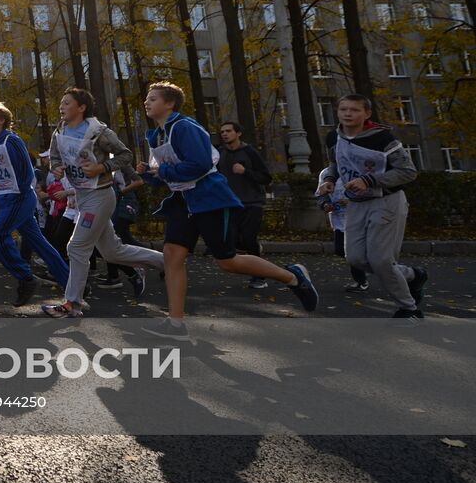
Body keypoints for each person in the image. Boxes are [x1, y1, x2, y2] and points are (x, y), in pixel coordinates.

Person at [142, 82, 318, 339]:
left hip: (209, 198)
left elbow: (200, 164)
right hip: (182, 200)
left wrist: (164, 171)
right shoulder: (157, 134)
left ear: (169, 104)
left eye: (153, 98)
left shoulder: (184, 127)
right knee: (172, 256)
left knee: (228, 262)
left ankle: (293, 276)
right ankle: (176, 324)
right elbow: (166, 174)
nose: (147, 102)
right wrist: (149, 174)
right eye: (147, 98)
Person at [41, 89, 161, 318]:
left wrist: (101, 167)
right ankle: (167, 262)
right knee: (112, 252)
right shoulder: (61, 129)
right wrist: (55, 167)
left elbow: (125, 155)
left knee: (76, 247)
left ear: (81, 107)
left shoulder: (98, 132)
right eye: (61, 103)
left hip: (100, 196)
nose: (61, 107)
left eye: (66, 103)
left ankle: (72, 304)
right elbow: (55, 157)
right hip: (81, 196)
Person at [316, 94, 425, 319]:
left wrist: (369, 180)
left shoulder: (382, 138)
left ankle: (409, 308)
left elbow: (408, 171)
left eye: (354, 110)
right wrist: (329, 180)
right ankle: (412, 275)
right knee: (355, 258)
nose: (348, 114)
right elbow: (336, 164)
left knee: (381, 260)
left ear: (367, 114)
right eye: (343, 109)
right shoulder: (333, 137)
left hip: (386, 201)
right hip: (356, 203)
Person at [0, 102, 62, 306]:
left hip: (20, 197)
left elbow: (27, 170)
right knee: (39, 243)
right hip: (3, 198)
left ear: (2, 120)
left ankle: (27, 278)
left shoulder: (12, 140)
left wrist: (21, 193)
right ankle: (73, 283)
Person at [217, 121, 273, 290]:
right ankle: (255, 247)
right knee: (233, 242)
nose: (225, 134)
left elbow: (266, 177)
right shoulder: (220, 154)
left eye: (228, 131)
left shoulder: (250, 152)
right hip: (230, 204)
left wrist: (245, 172)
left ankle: (259, 277)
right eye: (222, 132)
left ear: (238, 133)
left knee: (248, 239)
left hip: (252, 203)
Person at [97, 168, 145, 288]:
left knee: (120, 238)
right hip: (116, 203)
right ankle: (113, 276)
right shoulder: (109, 163)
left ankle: (162, 259)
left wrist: (121, 191)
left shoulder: (123, 163)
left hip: (126, 202)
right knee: (115, 238)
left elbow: (139, 181)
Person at [320, 182, 369, 293]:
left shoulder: (354, 167)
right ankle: (365, 265)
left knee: (353, 253)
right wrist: (325, 204)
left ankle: (361, 281)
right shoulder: (326, 173)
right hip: (338, 222)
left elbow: (369, 193)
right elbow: (321, 195)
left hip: (358, 219)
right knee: (340, 250)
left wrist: (352, 202)